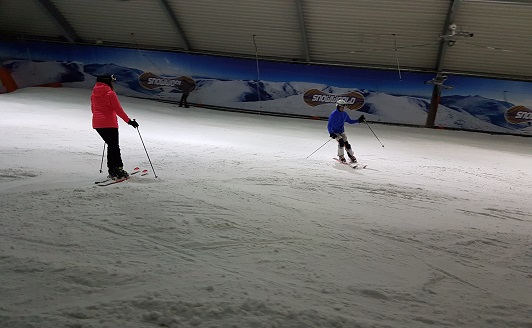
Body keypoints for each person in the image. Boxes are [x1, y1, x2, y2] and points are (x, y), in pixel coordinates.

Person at [91, 74, 139, 179]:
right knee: (114, 147)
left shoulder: (94, 94)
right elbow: (118, 110)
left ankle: (112, 170)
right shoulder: (110, 93)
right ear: (108, 81)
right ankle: (118, 169)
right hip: (109, 124)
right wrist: (129, 121)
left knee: (111, 146)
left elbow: (93, 109)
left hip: (97, 124)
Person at [327, 99, 366, 163]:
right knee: (341, 142)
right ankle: (341, 156)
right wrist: (331, 133)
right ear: (338, 106)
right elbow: (329, 125)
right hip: (335, 132)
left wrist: (358, 120)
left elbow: (350, 121)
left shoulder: (344, 114)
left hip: (342, 131)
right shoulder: (333, 114)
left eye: (344, 107)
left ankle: (351, 156)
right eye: (342, 107)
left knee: (347, 144)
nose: (343, 108)